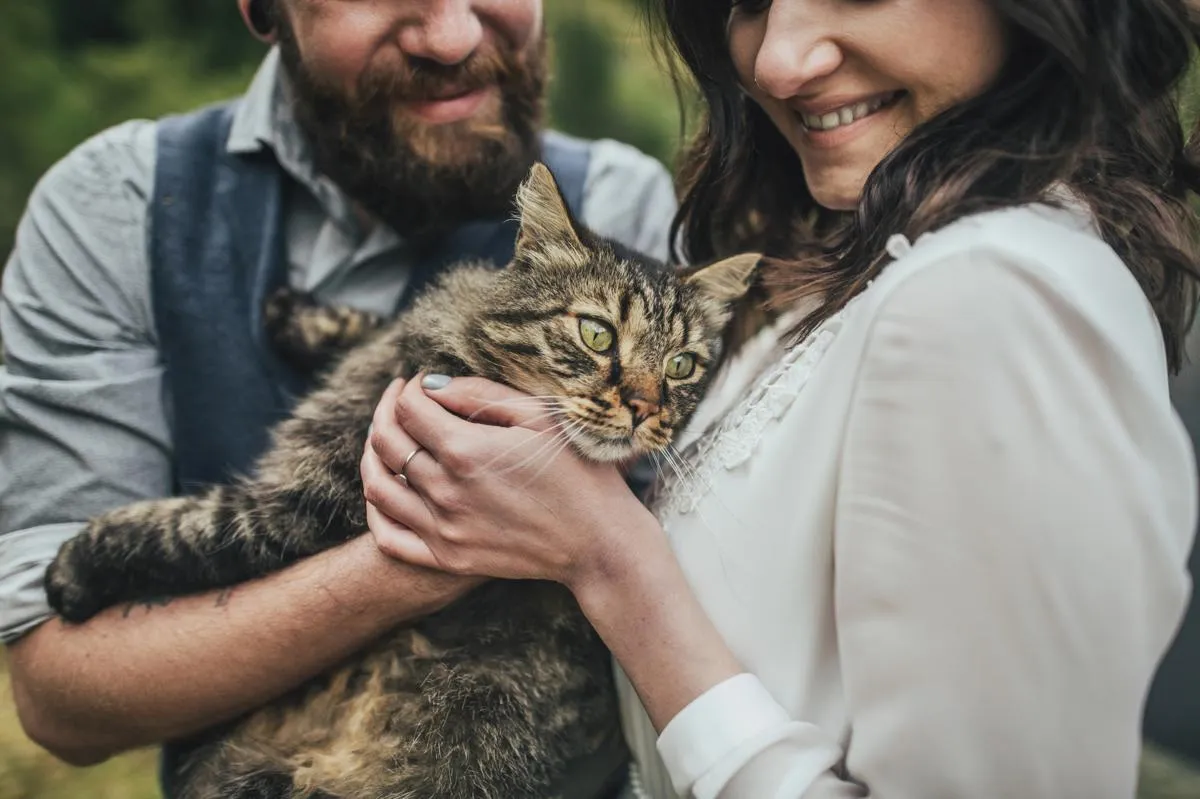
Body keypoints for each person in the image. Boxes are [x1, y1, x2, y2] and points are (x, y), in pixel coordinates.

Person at [359, 0, 1200, 796]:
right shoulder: (869, 258)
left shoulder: (992, 296)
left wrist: (608, 557)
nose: (778, 62)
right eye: (750, 0)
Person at [0, 0, 675, 795]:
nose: (453, 35)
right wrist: (431, 556)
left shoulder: (626, 206)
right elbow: (63, 697)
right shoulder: (114, 207)